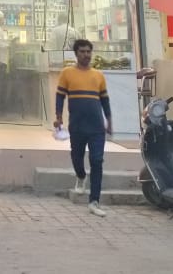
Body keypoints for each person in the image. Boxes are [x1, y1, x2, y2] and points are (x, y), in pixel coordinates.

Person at [54, 38, 112, 217]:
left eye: (88, 51)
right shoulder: (67, 73)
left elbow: (104, 100)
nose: (86, 55)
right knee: (76, 157)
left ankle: (94, 201)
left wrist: (109, 120)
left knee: (97, 161)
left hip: (96, 127)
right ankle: (80, 176)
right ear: (76, 54)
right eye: (82, 52)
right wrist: (58, 117)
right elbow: (60, 96)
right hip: (77, 125)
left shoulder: (98, 75)